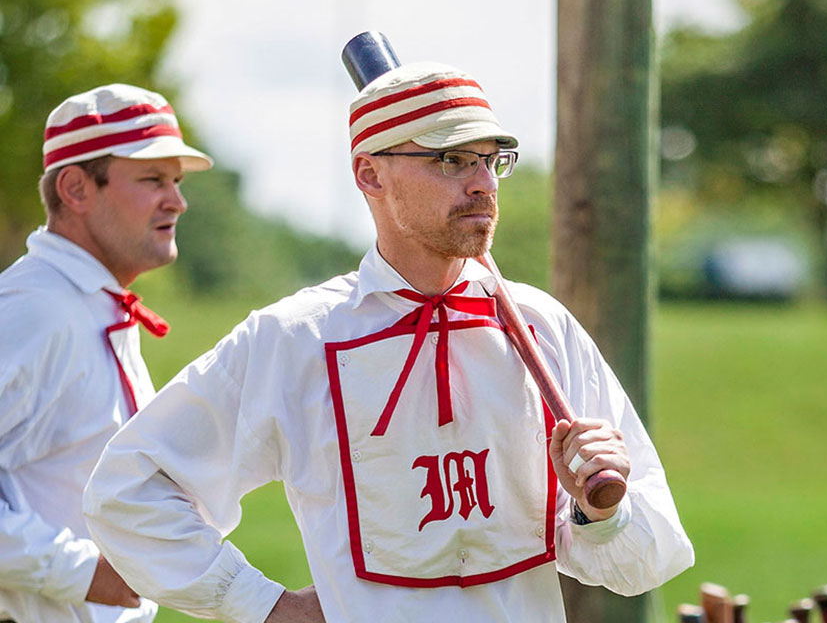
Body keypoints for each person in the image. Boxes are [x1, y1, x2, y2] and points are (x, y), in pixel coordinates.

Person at [83, 62, 694, 623]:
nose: (482, 183)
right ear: (370, 174)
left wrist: (599, 514)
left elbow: (645, 561)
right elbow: (131, 490)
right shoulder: (295, 338)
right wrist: (263, 606)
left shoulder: (542, 327)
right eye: (450, 161)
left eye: (490, 159)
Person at [0, 83, 212, 623]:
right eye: (152, 179)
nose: (177, 200)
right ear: (75, 188)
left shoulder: (93, 305)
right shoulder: (35, 310)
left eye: (177, 181)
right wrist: (88, 573)